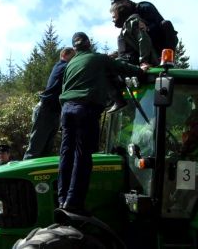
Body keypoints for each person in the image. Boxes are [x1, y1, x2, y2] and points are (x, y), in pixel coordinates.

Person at [57, 32, 148, 215]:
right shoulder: (98, 59)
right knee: (82, 157)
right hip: (85, 110)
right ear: (89, 44)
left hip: (66, 110)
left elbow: (65, 87)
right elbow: (121, 67)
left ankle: (62, 199)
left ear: (75, 48)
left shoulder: (70, 64)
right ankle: (73, 202)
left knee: (66, 155)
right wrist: (140, 71)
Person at [23, 48, 76, 160]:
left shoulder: (63, 67)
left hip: (53, 112)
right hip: (46, 110)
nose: (75, 59)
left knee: (46, 150)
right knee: (35, 149)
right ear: (65, 54)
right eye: (73, 56)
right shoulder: (62, 67)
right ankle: (23, 175)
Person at [111, 2, 159, 67]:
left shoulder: (131, 22)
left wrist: (143, 62)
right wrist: (114, 55)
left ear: (121, 13)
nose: (113, 20)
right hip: (128, 63)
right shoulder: (125, 29)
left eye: (114, 17)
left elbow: (143, 39)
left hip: (133, 65)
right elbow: (128, 49)